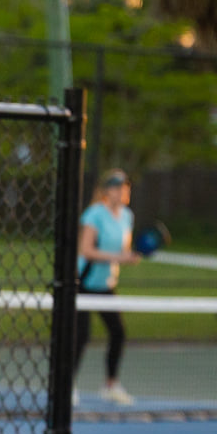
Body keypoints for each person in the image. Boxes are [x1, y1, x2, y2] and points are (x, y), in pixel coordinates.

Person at [73, 169, 140, 406]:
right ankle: (68, 385)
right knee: (80, 336)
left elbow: (123, 251)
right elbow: (86, 250)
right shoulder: (94, 214)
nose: (123, 191)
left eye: (126, 187)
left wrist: (131, 256)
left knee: (118, 332)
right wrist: (119, 257)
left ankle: (110, 385)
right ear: (107, 190)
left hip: (105, 285)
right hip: (83, 282)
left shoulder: (127, 216)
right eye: (118, 186)